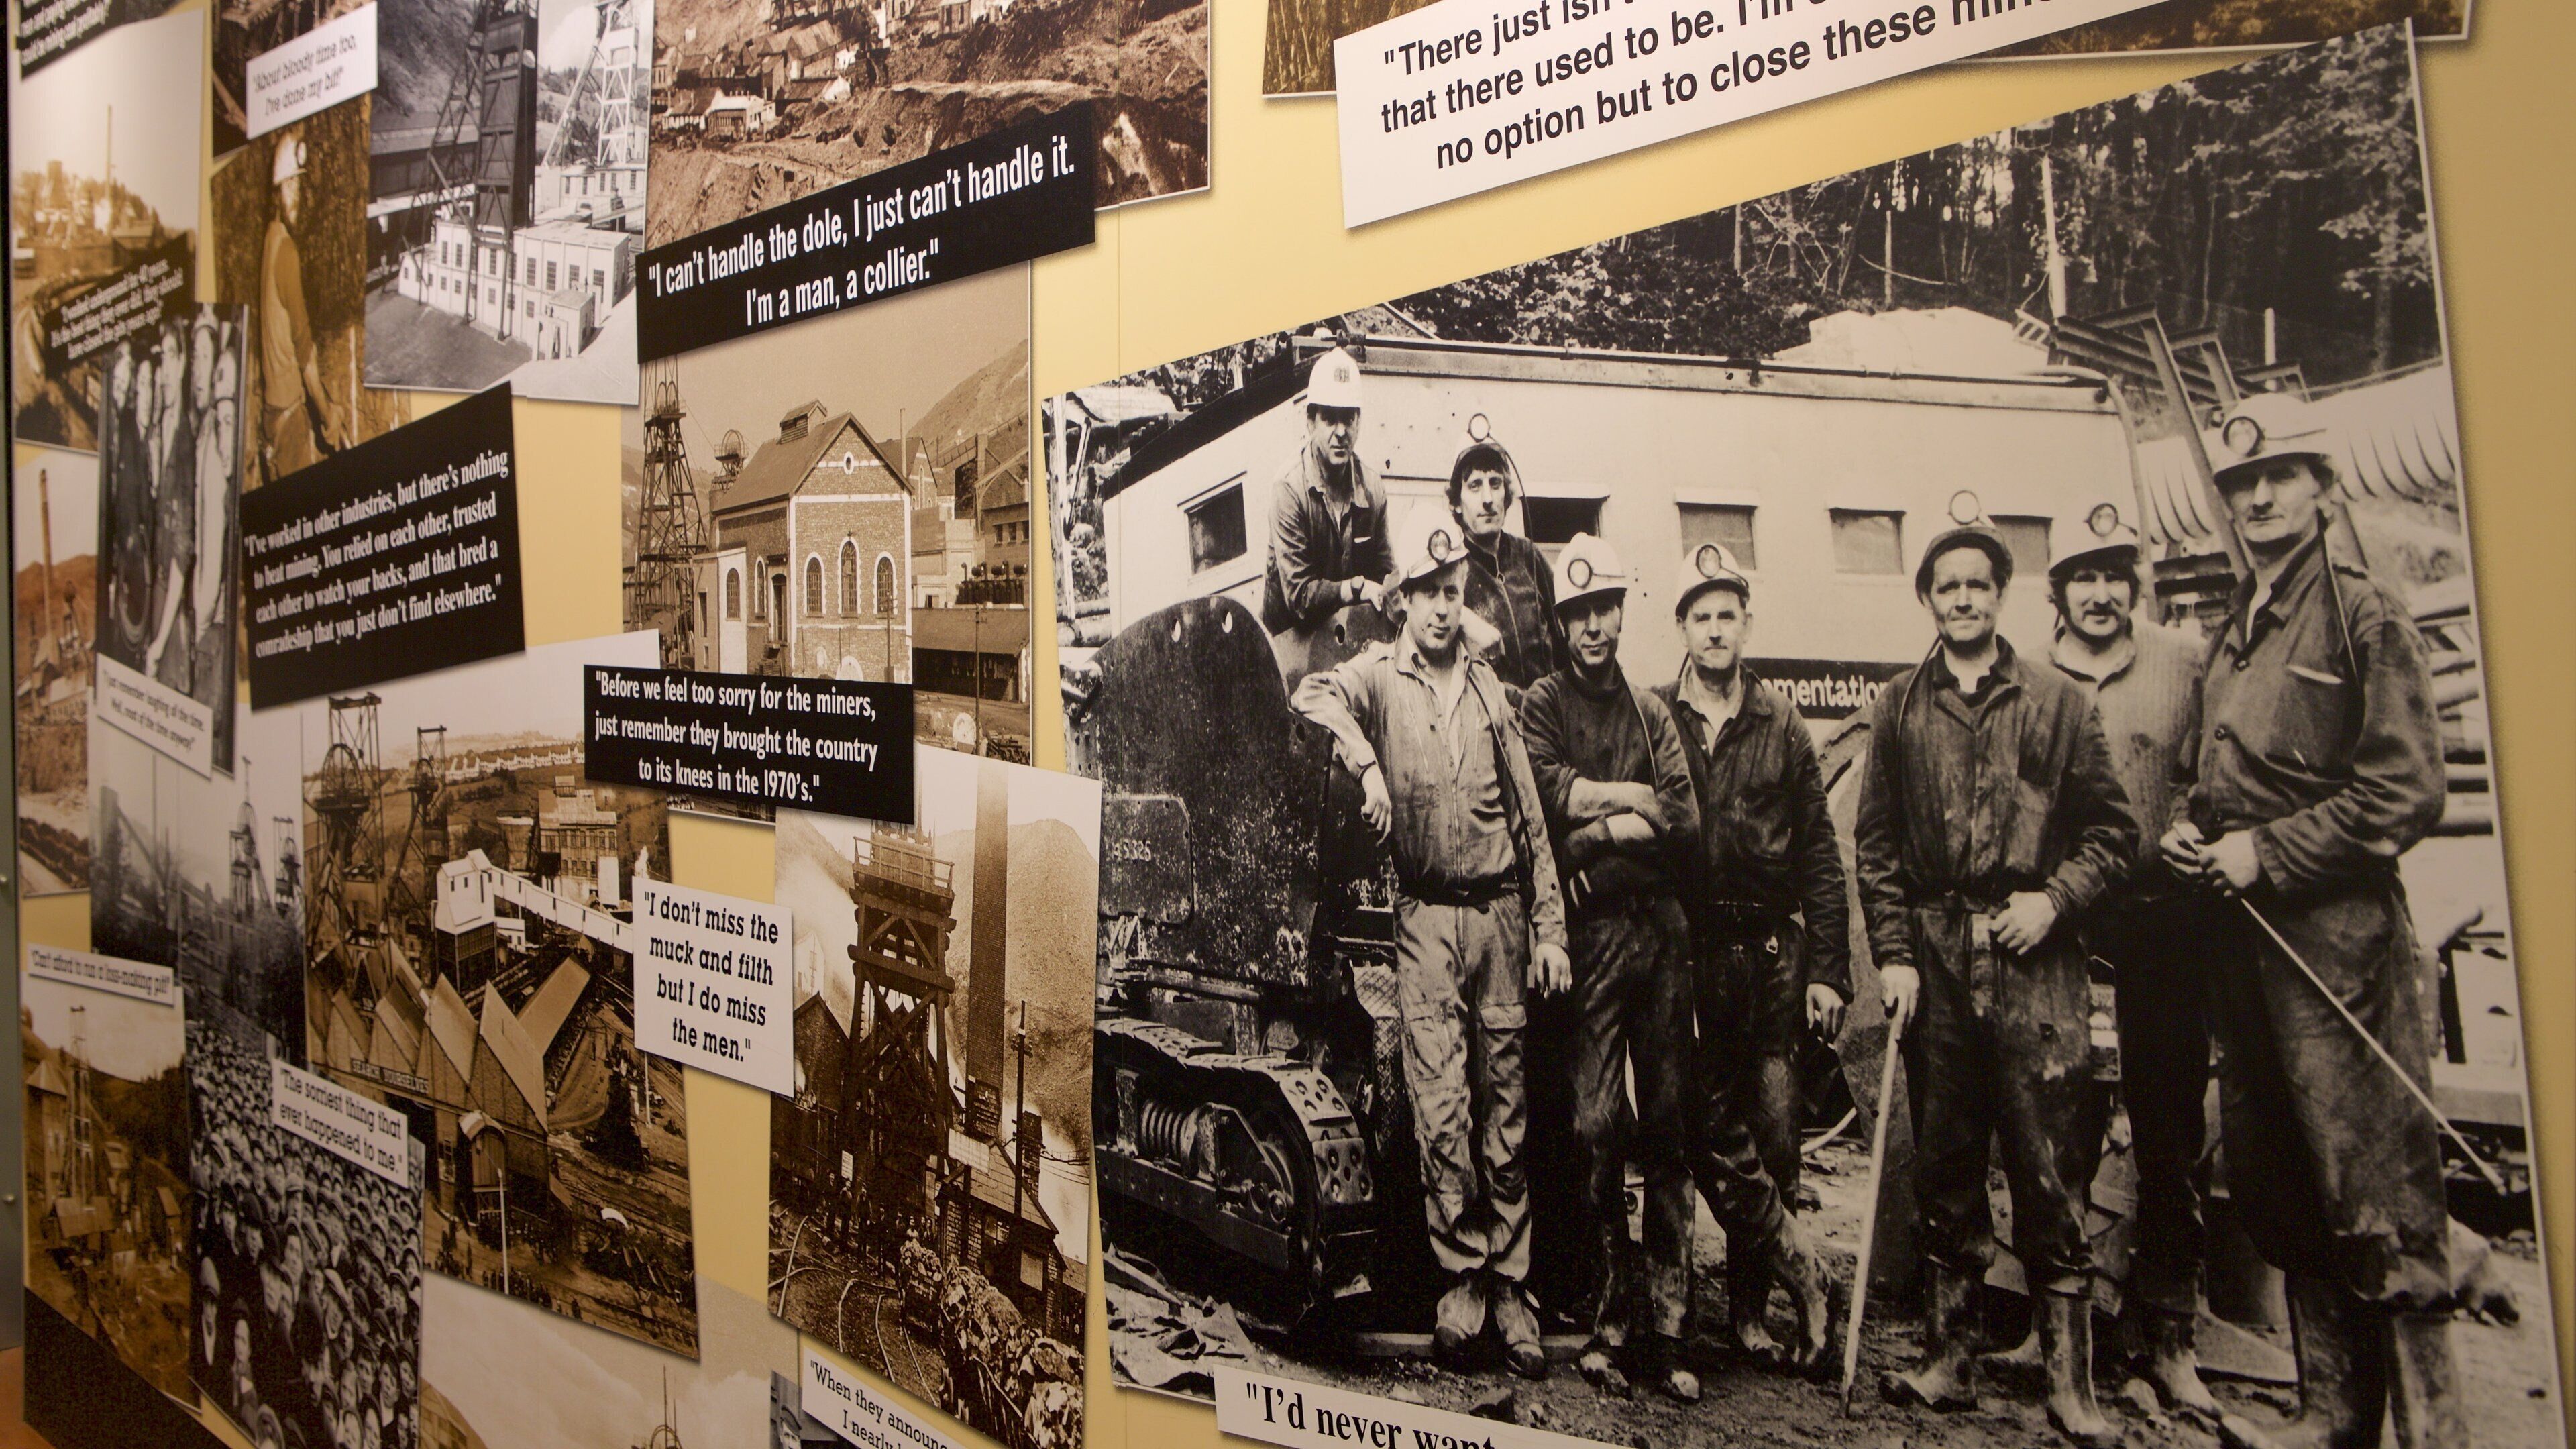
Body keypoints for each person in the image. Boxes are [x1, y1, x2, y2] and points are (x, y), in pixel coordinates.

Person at [2160, 395, 2459, 1449]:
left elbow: (2406, 791)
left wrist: (2271, 852)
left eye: (2278, 477)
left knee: (2376, 1194)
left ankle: (2435, 1435)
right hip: (2246, 946)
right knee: (2282, 1184)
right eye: (2241, 484)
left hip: (2338, 952)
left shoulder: (2365, 614)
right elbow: (2214, 773)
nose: (2258, 499)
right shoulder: (2240, 625)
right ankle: (2332, 1419)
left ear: (2323, 488)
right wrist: (2193, 828)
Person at [1855, 494, 2135, 1445]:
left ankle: (2070, 1383)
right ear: (1927, 599)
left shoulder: (2059, 702)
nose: (1964, 599)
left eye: (1979, 584)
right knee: (1945, 1162)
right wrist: (1896, 957)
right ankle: (1950, 1360)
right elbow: (1876, 848)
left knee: (2049, 1166)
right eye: (1949, 587)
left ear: (2002, 594)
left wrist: (2054, 899)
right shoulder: (1899, 705)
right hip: (1936, 958)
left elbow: (2114, 835)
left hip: (2034, 964)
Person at [1292, 502, 1571, 1377]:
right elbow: (1311, 694)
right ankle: (1463, 1283)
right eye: (1429, 591)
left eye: (1454, 591)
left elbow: (1531, 822)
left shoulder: (1491, 691)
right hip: (1423, 921)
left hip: (1500, 917)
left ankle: (1513, 1289)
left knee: (1505, 1108)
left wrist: (1550, 930)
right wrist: (1367, 765)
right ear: (1404, 599)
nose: (1444, 607)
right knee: (1442, 1108)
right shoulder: (1378, 676)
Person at [2037, 502, 2220, 1415]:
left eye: (2114, 575)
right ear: (2058, 591)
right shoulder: (2032, 675)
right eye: (2084, 577)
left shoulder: (2186, 662)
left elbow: (2214, 772)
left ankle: (2171, 1338)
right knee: (2062, 1129)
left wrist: (2194, 822)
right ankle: (2060, 1328)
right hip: (2071, 932)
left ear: (2134, 583)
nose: (2100, 593)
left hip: (2164, 926)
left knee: (2169, 1137)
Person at [1516, 534, 1703, 1401]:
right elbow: (1543, 807)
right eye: (1580, 614)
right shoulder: (1544, 704)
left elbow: (1685, 822)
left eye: (1607, 609)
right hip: (1588, 936)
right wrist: (1625, 813)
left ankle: (1671, 1328)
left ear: (1623, 613)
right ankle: (1610, 1317)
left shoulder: (1651, 711)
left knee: (1667, 1126)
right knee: (1595, 1126)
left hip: (1660, 936)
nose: (1595, 627)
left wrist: (1599, 829)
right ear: (1561, 624)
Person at [1648, 541, 1837, 1372]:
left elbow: (1821, 852)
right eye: (1702, 615)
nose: (1716, 629)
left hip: (1771, 958)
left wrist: (1829, 973)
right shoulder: (1657, 713)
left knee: (1775, 1134)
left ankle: (1752, 1315)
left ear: (1746, 623)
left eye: (1728, 614)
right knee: (1699, 1132)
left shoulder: (1782, 720)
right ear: (1683, 627)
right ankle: (1788, 1276)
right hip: (1692, 952)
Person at [1261, 346, 1392, 676]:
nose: (1341, 432)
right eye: (1330, 418)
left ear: (1359, 421)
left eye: (1348, 418)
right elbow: (1300, 599)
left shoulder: (1372, 487)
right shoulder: (1289, 489)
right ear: (1310, 422)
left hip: (1350, 649)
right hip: (1290, 655)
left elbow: (1387, 576)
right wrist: (1357, 587)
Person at [1447, 419, 1562, 694]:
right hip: (1490, 715)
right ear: (1456, 502)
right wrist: (1462, 617)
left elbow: (1566, 635)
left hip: (1546, 711)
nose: (1487, 498)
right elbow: (1396, 592)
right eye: (1475, 486)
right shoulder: (1450, 562)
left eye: (1495, 484)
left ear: (1507, 496)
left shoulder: (1529, 556)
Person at [261, 134, 345, 482]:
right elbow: (305, 352)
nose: (296, 195)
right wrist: (328, 415)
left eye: (298, 184)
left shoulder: (270, 239)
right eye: (289, 185)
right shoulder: (286, 253)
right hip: (290, 417)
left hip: (272, 413)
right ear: (276, 192)